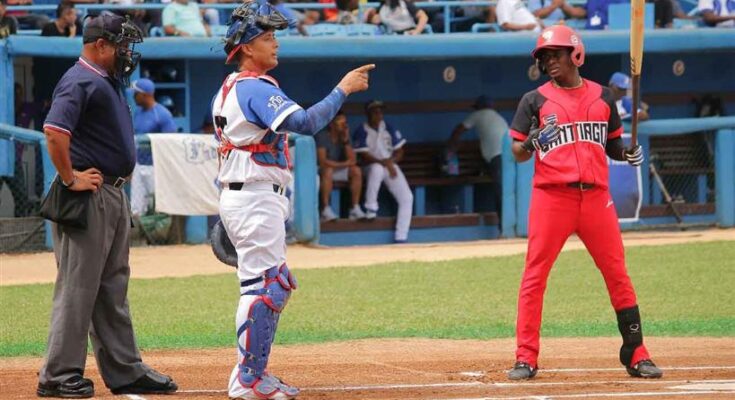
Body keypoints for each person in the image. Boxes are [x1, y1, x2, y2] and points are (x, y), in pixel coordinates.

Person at [211, 2, 373, 398]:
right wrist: (343, 89)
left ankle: (252, 374)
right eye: (267, 38)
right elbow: (304, 123)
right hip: (252, 199)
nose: (276, 44)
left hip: (250, 197)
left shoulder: (238, 86)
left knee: (273, 284)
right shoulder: (250, 86)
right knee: (265, 288)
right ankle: (248, 380)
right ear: (247, 48)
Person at [506, 25, 663, 381]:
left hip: (596, 199)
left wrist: (628, 153)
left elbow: (612, 146)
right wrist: (530, 142)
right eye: (544, 57)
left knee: (618, 275)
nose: (549, 62)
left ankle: (637, 352)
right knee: (534, 277)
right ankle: (525, 357)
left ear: (575, 54)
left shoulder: (604, 97)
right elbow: (516, 153)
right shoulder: (534, 100)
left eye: (555, 54)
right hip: (552, 197)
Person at [37, 14, 177, 398]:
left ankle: (125, 369)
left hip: (111, 194)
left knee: (111, 286)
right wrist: (70, 178)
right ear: (100, 45)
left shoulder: (105, 81)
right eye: (122, 45)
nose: (127, 54)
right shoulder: (80, 78)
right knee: (78, 287)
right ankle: (58, 374)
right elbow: (54, 132)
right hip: (86, 196)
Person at [353, 100, 413, 243]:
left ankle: (401, 236)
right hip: (370, 168)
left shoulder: (388, 127)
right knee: (377, 169)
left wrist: (390, 162)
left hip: (389, 165)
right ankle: (371, 208)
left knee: (407, 198)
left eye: (380, 111)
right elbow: (364, 156)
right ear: (368, 114)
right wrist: (385, 162)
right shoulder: (361, 130)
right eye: (375, 111)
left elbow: (400, 151)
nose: (379, 114)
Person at [447, 95, 508, 214]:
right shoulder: (498, 117)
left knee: (501, 192)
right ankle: (514, 225)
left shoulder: (478, 114)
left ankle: (505, 227)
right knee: (508, 191)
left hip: (498, 158)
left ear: (479, 107)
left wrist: (451, 147)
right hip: (510, 156)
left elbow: (459, 129)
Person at [128, 78, 178, 216]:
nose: (134, 97)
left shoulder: (162, 114)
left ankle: (159, 237)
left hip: (155, 167)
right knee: (136, 208)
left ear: (145, 95)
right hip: (138, 164)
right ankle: (138, 237)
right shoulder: (138, 112)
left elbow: (170, 142)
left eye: (136, 93)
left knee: (156, 205)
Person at [316, 110, 366, 221]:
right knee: (328, 170)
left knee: (356, 171)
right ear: (331, 123)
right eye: (339, 121)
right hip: (321, 171)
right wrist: (344, 164)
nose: (343, 124)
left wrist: (345, 141)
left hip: (336, 169)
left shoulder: (345, 137)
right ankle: (325, 209)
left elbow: (352, 161)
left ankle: (355, 208)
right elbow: (322, 161)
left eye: (345, 121)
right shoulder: (322, 136)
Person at [560, 0, 627, 30]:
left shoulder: (621, 1)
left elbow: (623, 18)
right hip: (590, 33)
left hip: (608, 35)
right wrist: (563, 5)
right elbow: (581, 12)